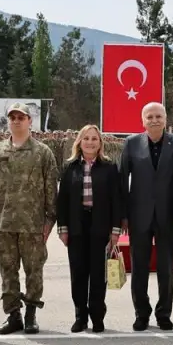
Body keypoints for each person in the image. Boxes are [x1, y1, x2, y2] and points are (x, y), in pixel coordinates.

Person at [0, 103, 58, 335]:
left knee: (34, 271)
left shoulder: (42, 152)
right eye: (12, 117)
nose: (16, 121)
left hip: (33, 224)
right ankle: (13, 314)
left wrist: (49, 223)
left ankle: (31, 315)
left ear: (29, 121)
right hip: (4, 223)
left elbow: (51, 190)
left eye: (21, 117)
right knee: (8, 271)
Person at [57, 124, 125, 332]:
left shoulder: (109, 167)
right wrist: (63, 228)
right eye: (86, 138)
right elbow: (63, 200)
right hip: (77, 227)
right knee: (78, 274)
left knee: (98, 275)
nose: (90, 142)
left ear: (100, 143)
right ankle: (80, 317)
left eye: (94, 138)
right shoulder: (70, 167)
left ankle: (97, 317)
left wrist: (115, 231)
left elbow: (117, 200)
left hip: (100, 227)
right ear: (79, 142)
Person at [119, 103, 173, 331]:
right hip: (139, 216)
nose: (154, 120)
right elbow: (123, 180)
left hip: (167, 216)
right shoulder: (131, 144)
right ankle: (141, 314)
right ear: (143, 121)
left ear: (165, 119)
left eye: (158, 116)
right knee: (139, 268)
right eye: (150, 117)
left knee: (166, 268)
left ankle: (164, 313)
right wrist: (123, 216)